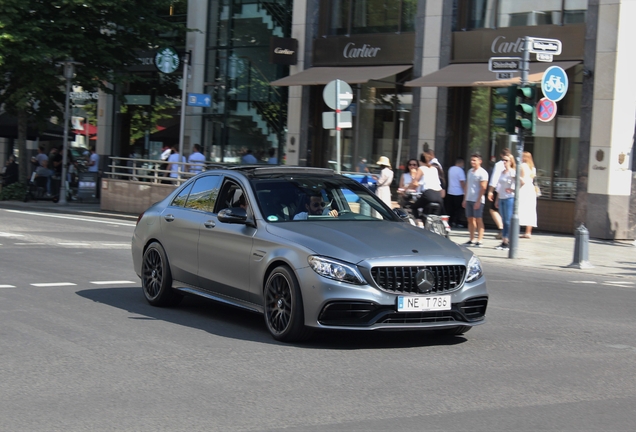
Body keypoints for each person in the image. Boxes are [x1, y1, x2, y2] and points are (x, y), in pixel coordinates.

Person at [463, 154, 489, 247]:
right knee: (470, 219)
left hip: (477, 199)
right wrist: (465, 199)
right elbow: (467, 186)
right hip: (469, 198)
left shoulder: (483, 173)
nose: (472, 162)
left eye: (474, 160)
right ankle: (471, 238)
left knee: (478, 219)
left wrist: (478, 201)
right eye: (471, 160)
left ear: (480, 161)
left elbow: (483, 187)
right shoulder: (470, 171)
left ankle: (480, 239)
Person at [411, 151, 445, 221]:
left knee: (413, 207)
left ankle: (419, 222)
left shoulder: (421, 168)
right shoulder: (434, 169)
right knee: (433, 218)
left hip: (428, 194)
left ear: (420, 161)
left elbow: (415, 183)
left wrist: (408, 189)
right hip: (438, 196)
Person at [486, 148, 511, 239]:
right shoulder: (513, 165)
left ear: (501, 155)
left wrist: (490, 191)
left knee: (493, 210)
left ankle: (502, 229)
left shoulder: (499, 164)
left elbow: (494, 178)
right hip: (508, 192)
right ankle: (504, 232)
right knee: (505, 213)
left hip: (500, 190)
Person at [494, 155, 516, 250]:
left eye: (506, 160)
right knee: (503, 220)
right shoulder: (502, 172)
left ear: (511, 161)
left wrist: (512, 189)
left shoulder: (512, 172)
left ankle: (507, 240)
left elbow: (521, 182)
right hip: (502, 197)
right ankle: (504, 240)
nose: (504, 162)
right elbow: (499, 187)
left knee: (507, 220)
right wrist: (497, 199)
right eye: (503, 160)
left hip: (509, 198)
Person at [518, 151, 538, 238]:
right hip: (531, 189)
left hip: (523, 188)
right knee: (530, 209)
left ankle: (516, 229)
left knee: (519, 208)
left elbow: (522, 179)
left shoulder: (522, 166)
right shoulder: (533, 167)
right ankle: (528, 232)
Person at [446, 157, 466, 227]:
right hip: (459, 192)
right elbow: (462, 182)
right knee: (459, 209)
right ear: (461, 163)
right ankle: (457, 221)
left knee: (451, 208)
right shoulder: (460, 170)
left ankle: (450, 221)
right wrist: (465, 190)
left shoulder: (450, 169)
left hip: (450, 191)